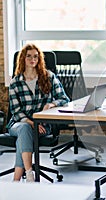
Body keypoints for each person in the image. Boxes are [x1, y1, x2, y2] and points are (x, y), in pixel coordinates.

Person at [7, 44, 70, 182]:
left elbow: (64, 99)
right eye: (28, 56)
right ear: (23, 59)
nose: (32, 59)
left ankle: (16, 180)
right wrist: (32, 123)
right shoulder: (15, 83)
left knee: (23, 139)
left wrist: (51, 104)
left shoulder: (49, 77)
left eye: (36, 56)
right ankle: (29, 172)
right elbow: (16, 112)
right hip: (19, 124)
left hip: (43, 125)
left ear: (39, 59)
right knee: (24, 128)